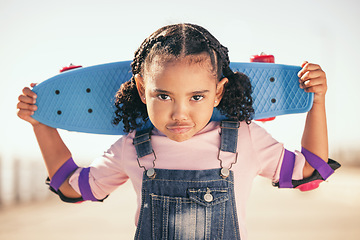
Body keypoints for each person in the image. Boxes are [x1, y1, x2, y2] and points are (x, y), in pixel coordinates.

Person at [17, 23, 340, 240]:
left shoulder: (243, 137)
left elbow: (310, 168)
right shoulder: (132, 146)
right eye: (163, 96)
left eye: (196, 97)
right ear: (142, 91)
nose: (179, 113)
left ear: (218, 92)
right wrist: (40, 125)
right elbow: (74, 187)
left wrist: (318, 102)